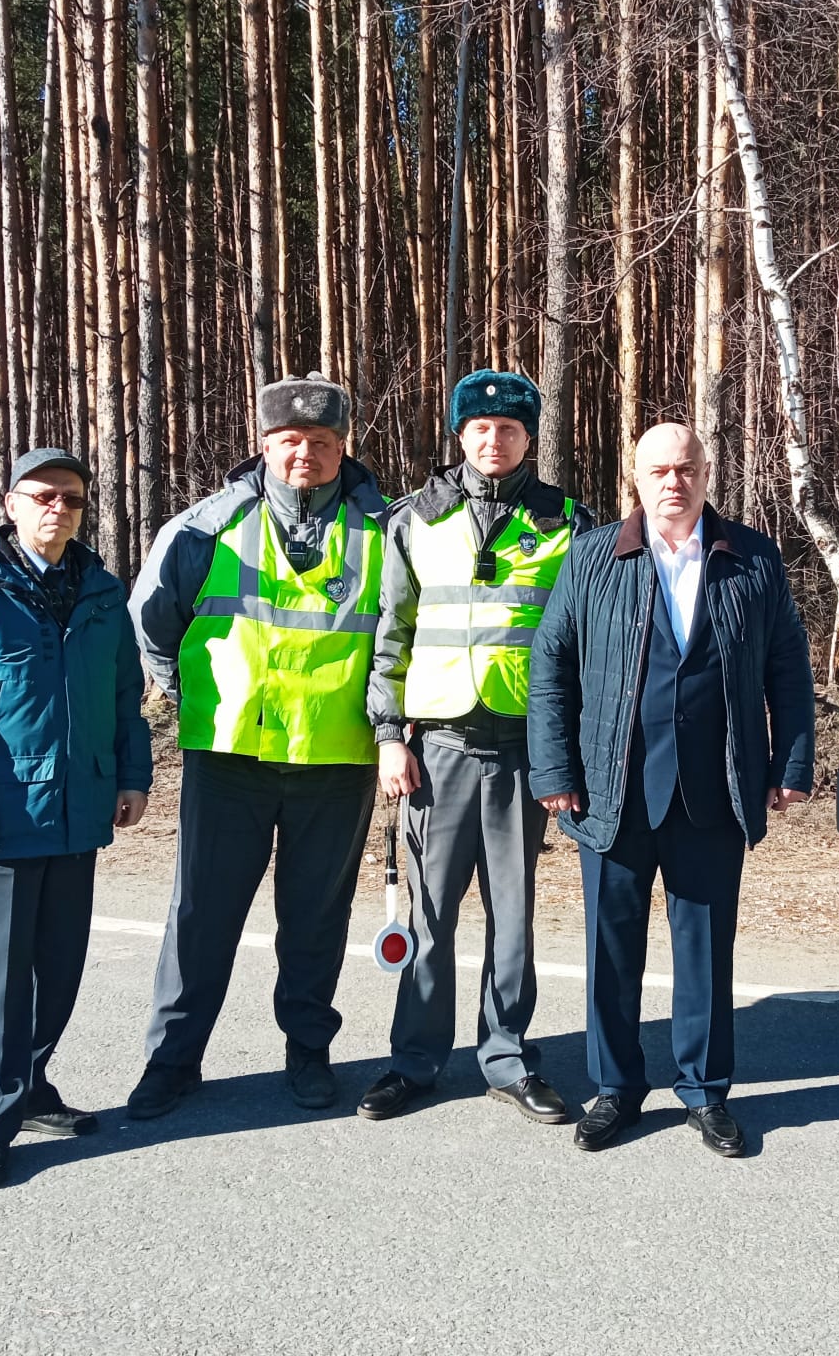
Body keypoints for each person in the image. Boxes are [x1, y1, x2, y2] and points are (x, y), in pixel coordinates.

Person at [526, 423, 816, 1158]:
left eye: (686, 468)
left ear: (707, 472)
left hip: (713, 789)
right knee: (610, 950)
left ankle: (705, 1093)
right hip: (611, 790)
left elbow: (787, 663)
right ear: (635, 474)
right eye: (658, 469)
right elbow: (551, 666)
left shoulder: (750, 557)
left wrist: (790, 763)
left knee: (706, 951)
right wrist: (555, 771)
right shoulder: (593, 556)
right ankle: (616, 1091)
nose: (673, 482)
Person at [126, 373, 389, 1120]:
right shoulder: (205, 527)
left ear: (343, 448)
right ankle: (172, 1060)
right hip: (231, 760)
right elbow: (152, 624)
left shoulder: (385, 530)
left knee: (315, 920)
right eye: (290, 442)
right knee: (200, 917)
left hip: (337, 763)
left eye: (322, 442)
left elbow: (397, 641)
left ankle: (308, 1050)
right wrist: (189, 701)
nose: (305, 454)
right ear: (264, 445)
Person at [0, 448, 152, 1190]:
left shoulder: (103, 592)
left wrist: (133, 777)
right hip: (4, 817)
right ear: (11, 503)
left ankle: (32, 1085)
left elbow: (122, 699)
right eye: (43, 496)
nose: (58, 509)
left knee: (59, 970)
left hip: (80, 812)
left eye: (72, 499)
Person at [358, 371, 593, 1123]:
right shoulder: (412, 520)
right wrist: (390, 738)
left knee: (513, 914)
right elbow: (388, 637)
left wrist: (569, 752)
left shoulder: (568, 521)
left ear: (530, 437)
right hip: (441, 749)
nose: (495, 440)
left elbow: (582, 644)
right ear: (461, 434)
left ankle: (507, 1056)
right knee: (431, 915)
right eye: (480, 427)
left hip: (525, 748)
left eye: (510, 428)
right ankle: (415, 1062)